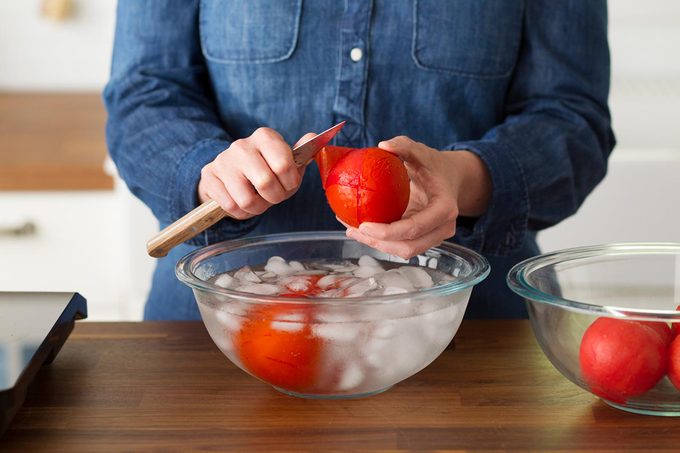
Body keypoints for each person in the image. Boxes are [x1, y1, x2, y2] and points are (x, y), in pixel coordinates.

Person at [104, 1, 615, 320]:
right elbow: (144, 94)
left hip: (468, 336)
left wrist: (462, 179)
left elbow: (573, 119)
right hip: (222, 323)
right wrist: (208, 172)